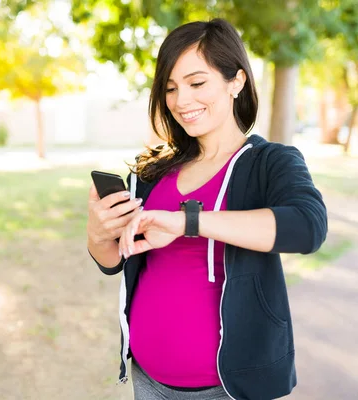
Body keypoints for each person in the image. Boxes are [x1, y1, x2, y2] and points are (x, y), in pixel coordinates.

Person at [86, 18, 327, 400]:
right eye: (170, 88)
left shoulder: (270, 162)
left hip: (228, 389)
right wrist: (98, 235)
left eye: (197, 83)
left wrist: (189, 222)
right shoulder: (151, 171)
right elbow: (114, 259)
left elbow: (307, 227)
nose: (182, 101)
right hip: (147, 380)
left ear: (237, 81)